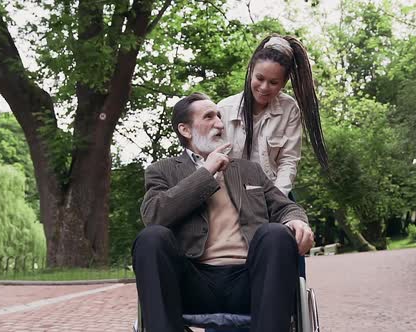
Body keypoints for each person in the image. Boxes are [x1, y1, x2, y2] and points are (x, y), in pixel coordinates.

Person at [132, 92, 314, 332]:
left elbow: (285, 206)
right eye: (209, 117)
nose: (220, 123)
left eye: (219, 116)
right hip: (192, 282)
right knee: (150, 238)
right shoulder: (162, 170)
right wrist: (205, 174)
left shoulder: (249, 171)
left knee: (276, 234)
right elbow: (154, 215)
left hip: (250, 279)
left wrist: (296, 221)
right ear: (185, 130)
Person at [218, 34, 328, 198]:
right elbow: (211, 159)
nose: (264, 87)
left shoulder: (289, 109)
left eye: (273, 82)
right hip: (228, 195)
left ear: (283, 84)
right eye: (259, 78)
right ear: (250, 72)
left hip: (272, 192)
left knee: (290, 223)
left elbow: (288, 161)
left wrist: (276, 198)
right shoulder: (224, 109)